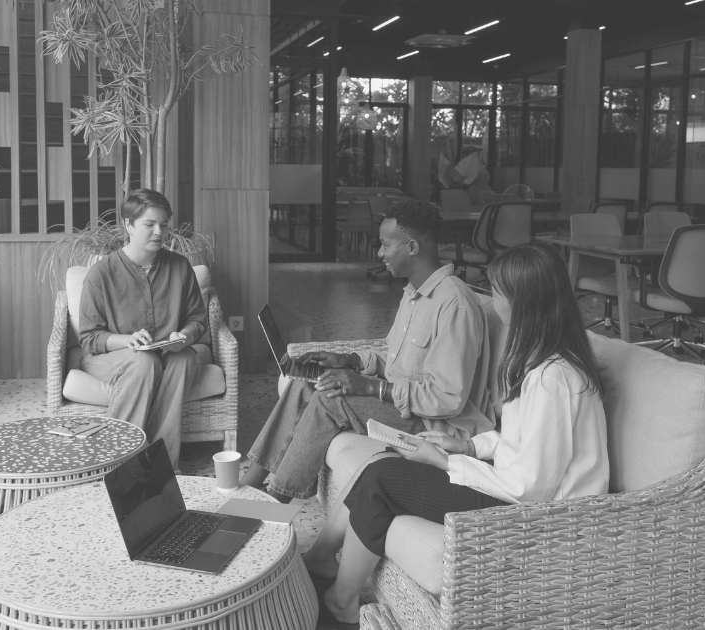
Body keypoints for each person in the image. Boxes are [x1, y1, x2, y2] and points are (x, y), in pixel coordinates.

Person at [302, 243, 610, 628]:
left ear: (521, 302)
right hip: (516, 492)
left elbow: (532, 487)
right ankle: (339, 596)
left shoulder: (553, 379)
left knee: (383, 476)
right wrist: (465, 446)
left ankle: (338, 599)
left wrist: (446, 462)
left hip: (538, 517)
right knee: (384, 465)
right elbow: (520, 440)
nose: (493, 299)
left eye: (497, 291)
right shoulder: (541, 362)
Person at [240, 198, 494, 503]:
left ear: (412, 248)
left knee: (328, 401)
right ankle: (248, 485)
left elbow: (447, 399)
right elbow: (398, 360)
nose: (379, 254)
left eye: (386, 245)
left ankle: (276, 499)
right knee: (302, 385)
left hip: (430, 422)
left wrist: (373, 387)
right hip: (405, 406)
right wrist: (349, 360)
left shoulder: (455, 305)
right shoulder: (414, 293)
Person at [77, 189, 208, 468]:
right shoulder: (101, 274)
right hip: (110, 356)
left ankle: (162, 465)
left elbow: (198, 320)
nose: (159, 232)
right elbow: (89, 337)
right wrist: (127, 340)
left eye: (164, 224)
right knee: (142, 361)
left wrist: (183, 337)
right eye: (149, 224)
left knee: (183, 360)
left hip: (167, 353)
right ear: (129, 225)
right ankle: (121, 462)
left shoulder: (180, 267)